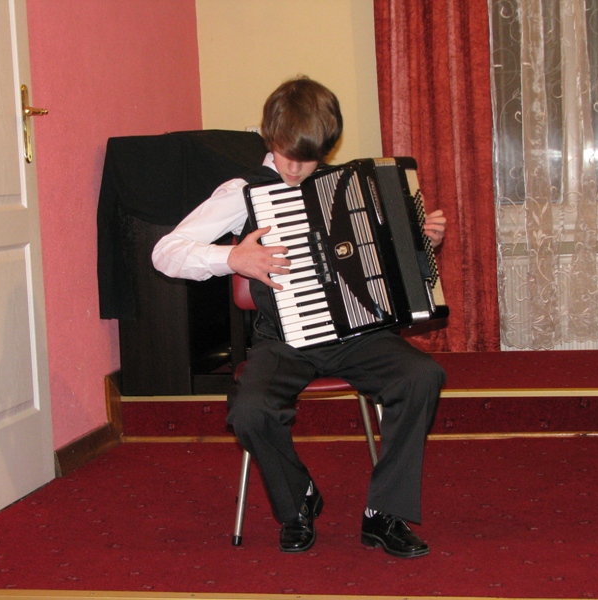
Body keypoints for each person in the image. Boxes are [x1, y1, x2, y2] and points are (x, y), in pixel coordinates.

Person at [152, 76, 446, 558]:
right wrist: (231, 258)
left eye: (308, 159)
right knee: (249, 410)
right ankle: (298, 501)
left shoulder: (353, 187)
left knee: (421, 376)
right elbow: (166, 252)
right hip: (282, 340)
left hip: (358, 334)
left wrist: (421, 242)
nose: (295, 168)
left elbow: (388, 264)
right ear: (270, 137)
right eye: (288, 155)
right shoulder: (242, 191)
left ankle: (384, 514)